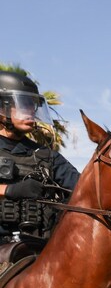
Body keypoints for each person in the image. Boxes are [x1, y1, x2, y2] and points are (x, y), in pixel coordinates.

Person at [0, 70, 79, 246]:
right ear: (2, 107)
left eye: (32, 105)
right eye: (23, 104)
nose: (30, 111)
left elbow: (84, 191)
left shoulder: (48, 157)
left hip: (42, 250)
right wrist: (9, 191)